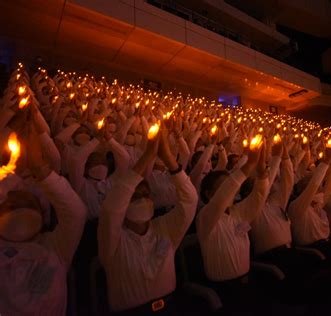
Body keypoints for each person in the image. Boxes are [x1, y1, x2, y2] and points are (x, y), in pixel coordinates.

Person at [98, 125, 198, 315]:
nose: (142, 199)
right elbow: (111, 211)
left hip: (171, 307)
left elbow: (190, 200)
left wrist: (169, 158)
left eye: (146, 194)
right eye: (134, 197)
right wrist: (147, 156)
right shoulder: (113, 240)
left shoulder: (165, 229)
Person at [0, 126, 87, 315]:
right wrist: (10, 167)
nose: (20, 211)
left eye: (29, 206)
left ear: (42, 216)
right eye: (12, 207)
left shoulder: (53, 246)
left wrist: (40, 167)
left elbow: (76, 213)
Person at [196, 139, 269, 311]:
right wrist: (249, 164)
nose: (231, 190)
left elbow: (259, 195)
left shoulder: (237, 212)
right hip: (223, 293)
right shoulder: (205, 217)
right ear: (209, 194)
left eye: (229, 186)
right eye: (222, 187)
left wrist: (261, 172)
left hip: (247, 283)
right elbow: (222, 197)